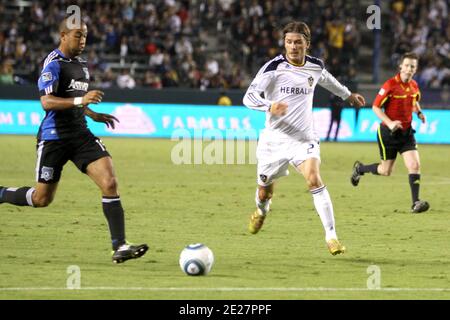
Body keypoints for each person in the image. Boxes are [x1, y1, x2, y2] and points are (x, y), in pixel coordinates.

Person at [0, 17, 148, 263]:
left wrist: (92, 113)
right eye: (78, 35)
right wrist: (82, 102)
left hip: (81, 135)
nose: (83, 40)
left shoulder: (81, 64)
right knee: (42, 199)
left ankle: (119, 246)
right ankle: (3, 193)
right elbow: (47, 102)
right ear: (63, 35)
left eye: (86, 36)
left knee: (110, 183)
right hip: (54, 139)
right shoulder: (53, 65)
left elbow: (74, 98)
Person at [243, 21, 365, 255]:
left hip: (304, 138)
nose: (293, 46)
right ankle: (261, 211)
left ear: (307, 44)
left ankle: (332, 237)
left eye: (298, 42)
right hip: (274, 140)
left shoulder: (315, 66)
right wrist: (270, 106)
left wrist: (348, 96)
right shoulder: (273, 68)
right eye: (289, 42)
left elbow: (328, 80)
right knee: (264, 192)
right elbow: (249, 97)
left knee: (313, 179)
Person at [350, 52, 429, 214]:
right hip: (388, 133)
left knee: (414, 165)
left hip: (407, 133)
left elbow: (415, 101)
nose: (409, 69)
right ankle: (360, 169)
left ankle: (416, 203)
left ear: (416, 69)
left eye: (412, 66)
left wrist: (419, 113)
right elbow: (375, 107)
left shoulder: (414, 85)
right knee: (385, 171)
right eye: (406, 65)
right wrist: (390, 122)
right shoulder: (390, 85)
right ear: (400, 66)